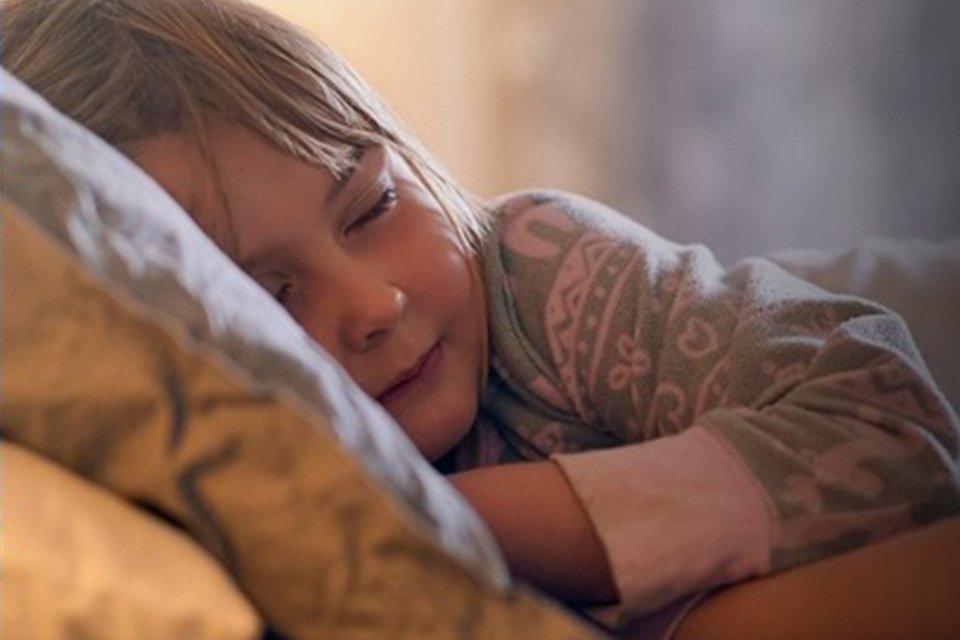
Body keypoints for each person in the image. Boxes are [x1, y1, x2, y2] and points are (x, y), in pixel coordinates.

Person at [5, 0, 958, 633]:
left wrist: (430, 521)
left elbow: (890, 423)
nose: (375, 306)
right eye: (268, 297)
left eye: (373, 206)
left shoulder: (540, 271)